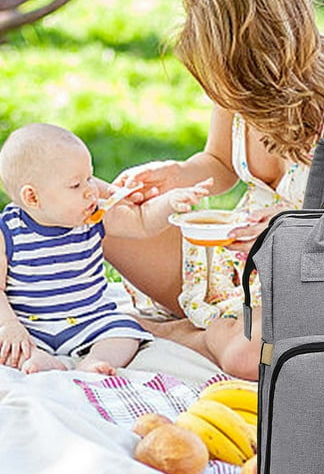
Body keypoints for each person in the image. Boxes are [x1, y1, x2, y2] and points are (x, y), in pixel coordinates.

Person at [102, 0, 324, 380]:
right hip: (236, 265)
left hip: (317, 282)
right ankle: (218, 324)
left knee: (251, 354)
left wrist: (292, 231)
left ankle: (179, 334)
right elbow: (220, 162)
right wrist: (177, 174)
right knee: (96, 209)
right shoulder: (237, 77)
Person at [0, 123, 208, 374]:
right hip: (29, 325)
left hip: (89, 320)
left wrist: (170, 203)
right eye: (75, 185)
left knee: (124, 333)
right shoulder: (7, 231)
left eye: (89, 177)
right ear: (32, 197)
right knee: (10, 345)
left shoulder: (93, 216)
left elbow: (142, 223)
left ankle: (94, 361)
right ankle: (38, 358)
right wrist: (10, 326)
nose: (90, 191)